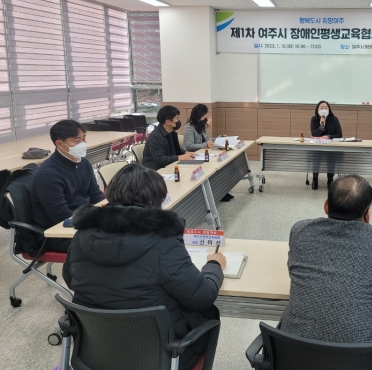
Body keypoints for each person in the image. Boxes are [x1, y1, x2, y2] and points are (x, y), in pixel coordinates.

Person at [62, 164, 226, 370]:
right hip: (158, 357)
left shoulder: (82, 235)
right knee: (208, 313)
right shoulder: (163, 240)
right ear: (154, 200)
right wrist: (214, 265)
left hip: (96, 354)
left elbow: (70, 279)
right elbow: (202, 296)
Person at [279, 175, 372, 369]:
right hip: (364, 360)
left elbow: (292, 272)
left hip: (293, 355)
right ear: (368, 214)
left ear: (326, 206)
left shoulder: (301, 231)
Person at [30, 120, 105, 253]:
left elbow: (95, 194)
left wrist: (110, 212)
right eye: (77, 141)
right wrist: (96, 221)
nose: (83, 144)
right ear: (60, 144)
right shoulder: (48, 174)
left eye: (84, 138)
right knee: (110, 244)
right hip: (56, 233)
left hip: (81, 221)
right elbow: (61, 216)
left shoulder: (83, 163)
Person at [183, 104, 234, 202]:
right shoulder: (189, 128)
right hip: (194, 156)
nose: (205, 118)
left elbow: (207, 139)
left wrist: (220, 137)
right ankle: (217, 194)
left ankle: (221, 192)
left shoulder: (201, 126)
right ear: (197, 116)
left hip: (204, 154)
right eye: (203, 116)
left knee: (219, 167)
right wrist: (205, 145)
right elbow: (189, 146)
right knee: (213, 169)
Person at [143, 105, 196, 171]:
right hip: (155, 171)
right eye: (177, 118)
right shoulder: (155, 136)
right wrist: (179, 157)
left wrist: (185, 152)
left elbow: (174, 149)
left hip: (169, 166)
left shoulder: (171, 132)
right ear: (168, 122)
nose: (178, 121)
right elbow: (159, 159)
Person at [309, 101, 342, 189]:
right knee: (315, 157)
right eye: (321, 107)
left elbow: (339, 134)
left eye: (326, 108)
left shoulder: (334, 119)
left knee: (331, 159)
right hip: (318, 146)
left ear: (329, 109)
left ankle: (330, 180)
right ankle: (315, 178)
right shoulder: (314, 119)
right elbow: (314, 134)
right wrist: (321, 126)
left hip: (330, 146)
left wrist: (328, 136)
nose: (324, 109)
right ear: (317, 109)